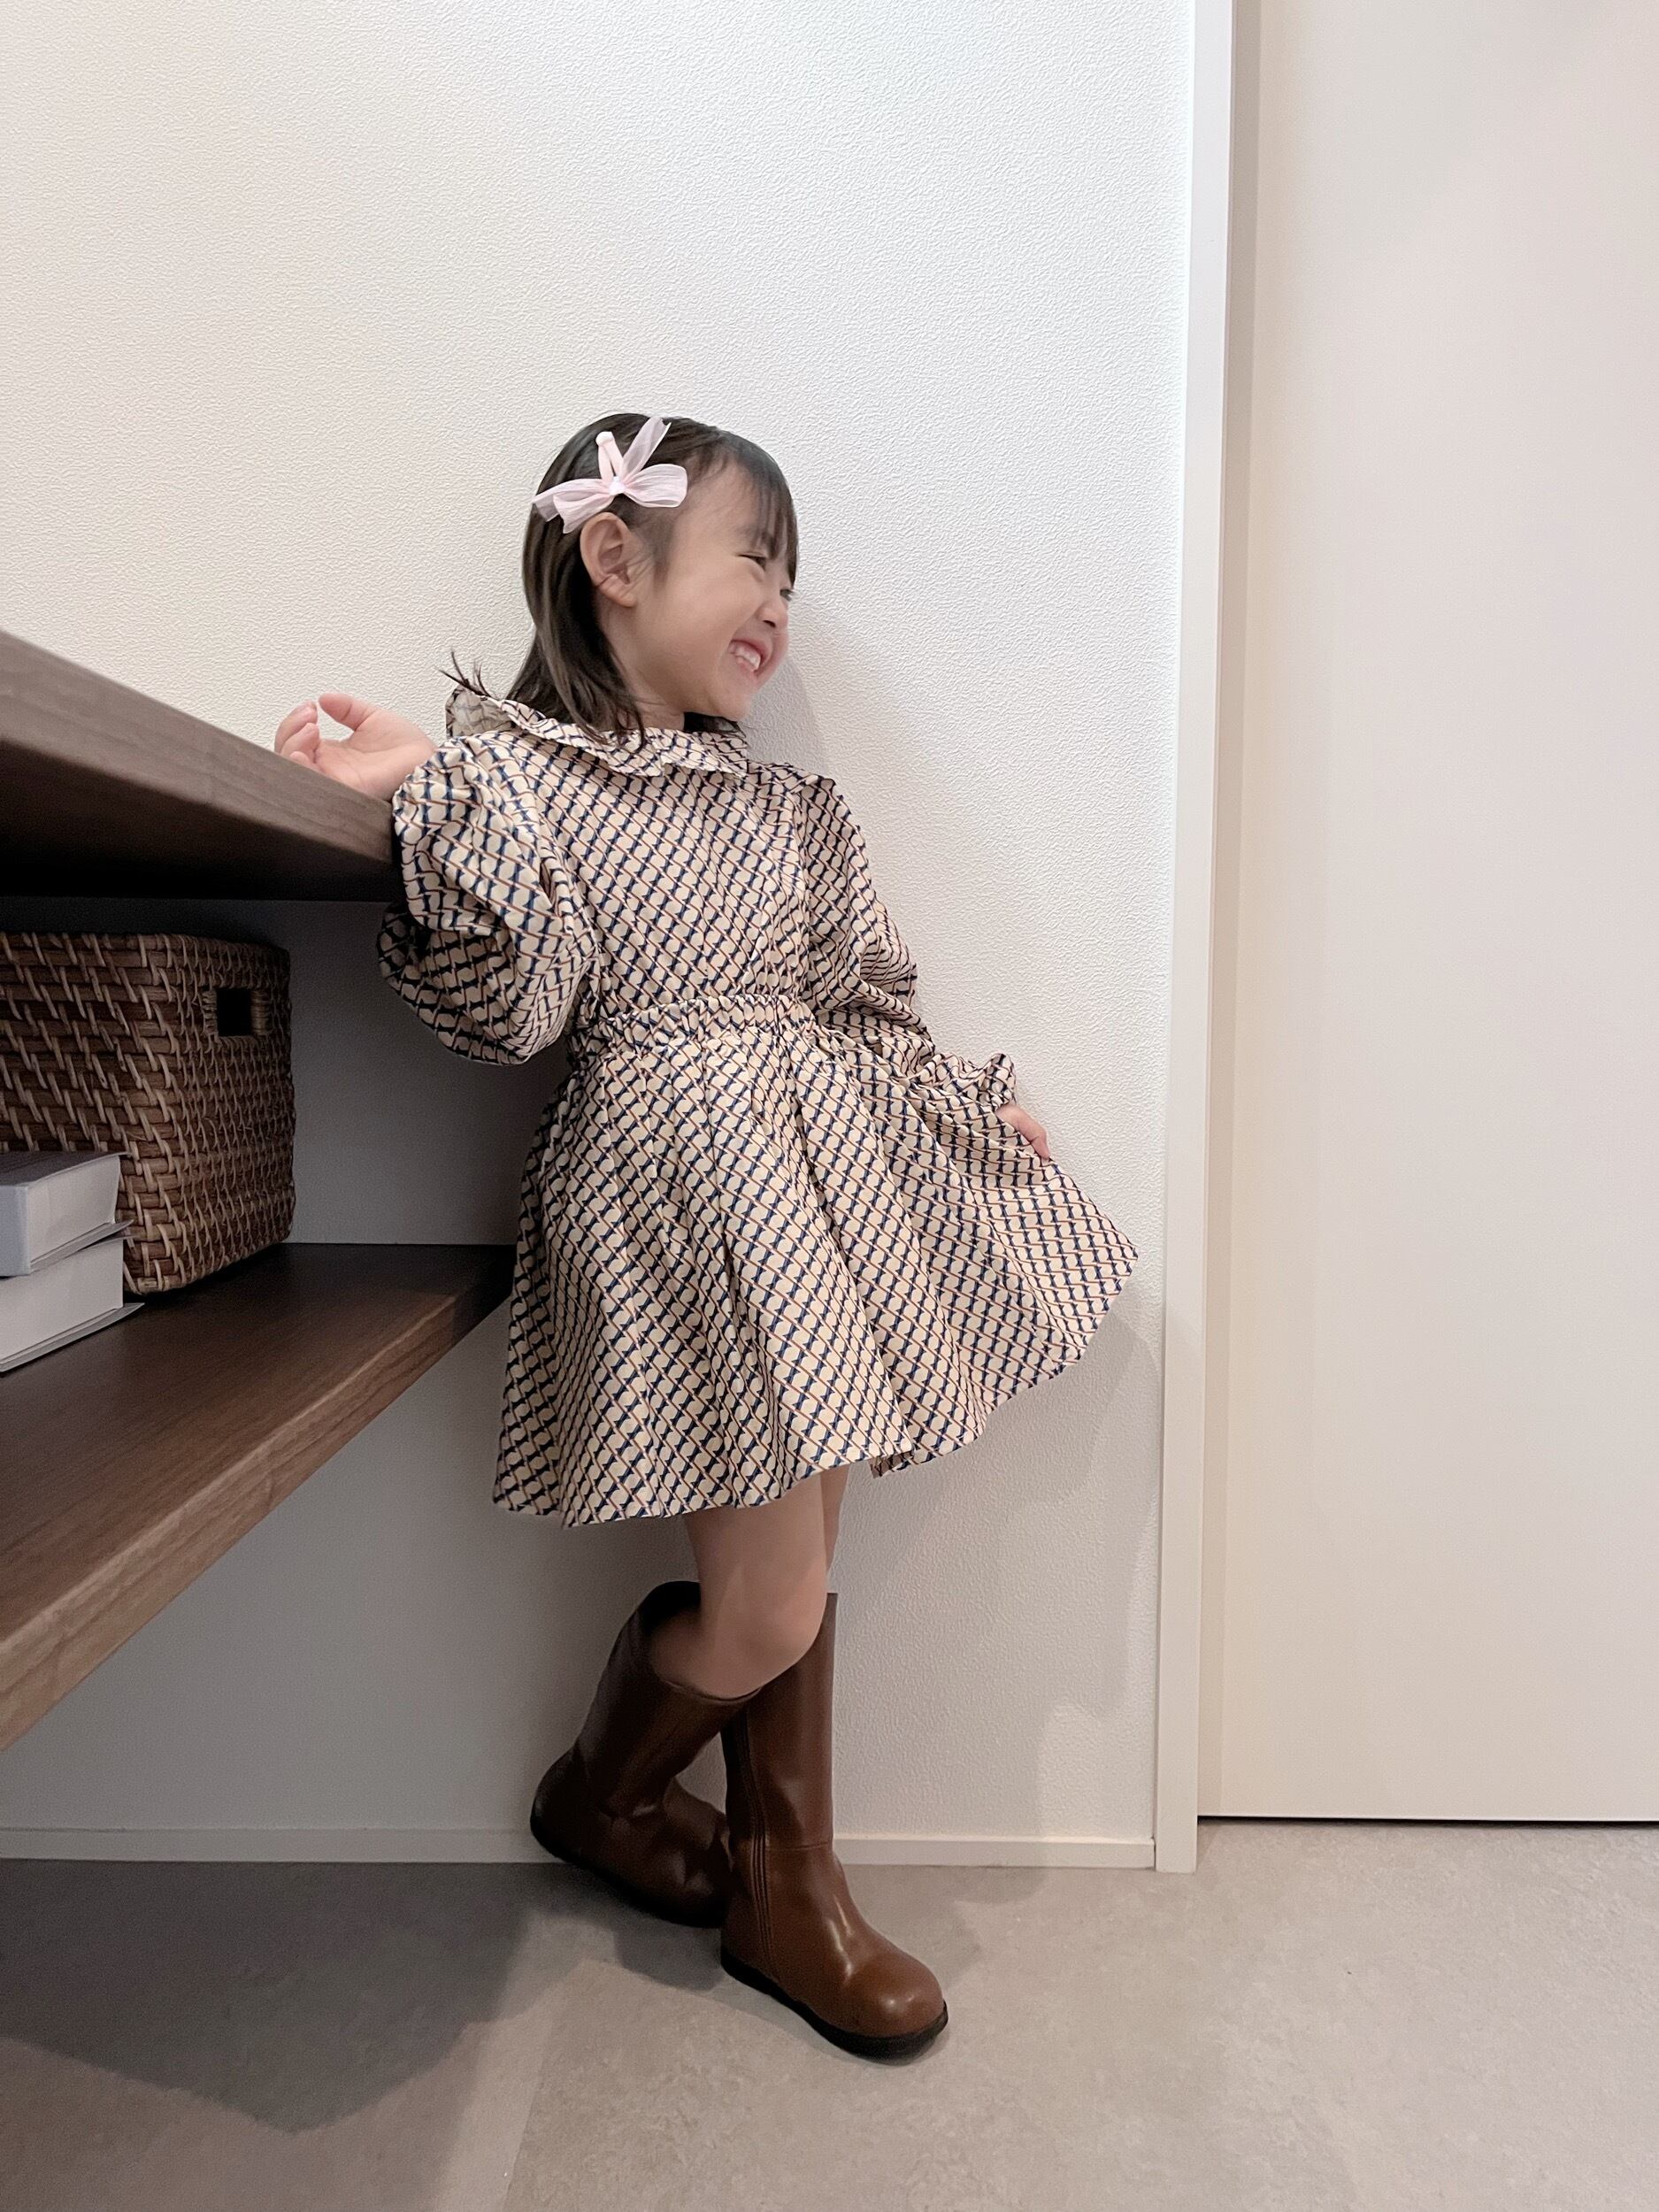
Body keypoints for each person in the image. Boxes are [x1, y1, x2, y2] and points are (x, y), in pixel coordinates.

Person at [274, 411, 1137, 2062]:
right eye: (757, 561)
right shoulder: (518, 779)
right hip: (679, 1200)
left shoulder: (790, 809)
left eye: (792, 583)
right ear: (615, 554)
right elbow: (511, 1009)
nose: (779, 609)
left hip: (821, 1195)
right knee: (768, 1606)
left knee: (797, 1574)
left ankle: (782, 1882)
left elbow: (864, 996)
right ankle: (603, 1798)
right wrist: (440, 784)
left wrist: (969, 1108)